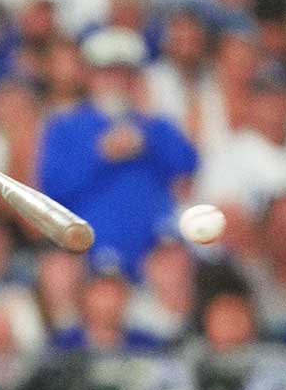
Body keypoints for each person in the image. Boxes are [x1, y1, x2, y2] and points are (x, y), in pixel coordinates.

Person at [39, 27, 198, 280]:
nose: (115, 82)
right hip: (89, 265)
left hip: (154, 264)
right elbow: (51, 189)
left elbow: (188, 163)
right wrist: (99, 154)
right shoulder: (66, 126)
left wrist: (147, 139)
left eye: (124, 75)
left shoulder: (154, 125)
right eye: (106, 74)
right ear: (90, 76)